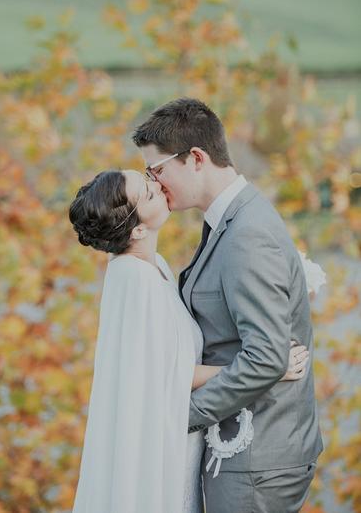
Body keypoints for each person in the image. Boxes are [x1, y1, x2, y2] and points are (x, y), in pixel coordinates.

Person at [69, 168, 310, 513]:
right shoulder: (135, 279)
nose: (157, 184)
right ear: (138, 229)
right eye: (148, 192)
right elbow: (167, 374)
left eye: (147, 177)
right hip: (164, 450)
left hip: (186, 443)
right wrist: (268, 366)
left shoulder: (158, 268)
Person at [132, 97, 324, 513]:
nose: (155, 181)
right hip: (244, 453)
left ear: (196, 158)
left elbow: (266, 357)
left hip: (258, 460)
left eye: (158, 170)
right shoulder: (228, 220)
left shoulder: (247, 234)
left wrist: (180, 416)